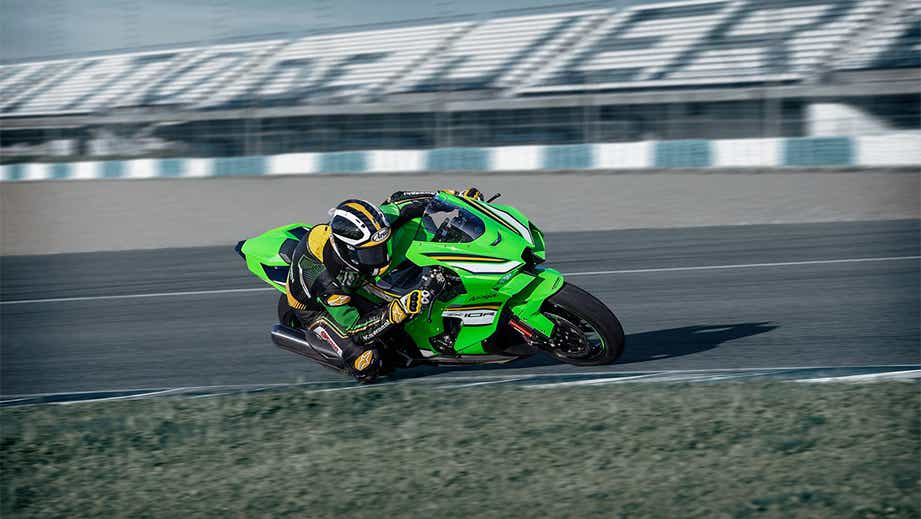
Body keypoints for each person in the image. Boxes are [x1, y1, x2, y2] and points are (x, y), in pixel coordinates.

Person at [285, 188, 484, 381]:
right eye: (370, 253)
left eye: (381, 247)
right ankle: (349, 355)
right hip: (316, 308)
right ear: (349, 251)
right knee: (367, 363)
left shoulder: (376, 225)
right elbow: (357, 329)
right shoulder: (328, 281)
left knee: (413, 226)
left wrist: (458, 199)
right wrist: (398, 309)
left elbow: (402, 200)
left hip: (356, 280)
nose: (380, 256)